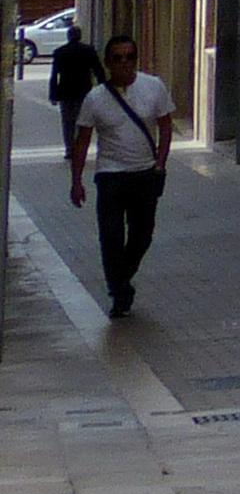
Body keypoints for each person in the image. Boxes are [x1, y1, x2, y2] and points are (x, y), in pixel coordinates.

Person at [64, 33, 174, 318]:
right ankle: (119, 292)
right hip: (110, 176)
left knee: (142, 234)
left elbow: (165, 125)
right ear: (108, 62)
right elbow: (82, 140)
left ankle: (121, 278)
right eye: (117, 58)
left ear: (136, 60)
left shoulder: (154, 87)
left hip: (145, 174)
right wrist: (76, 181)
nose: (124, 63)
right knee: (111, 237)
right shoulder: (95, 98)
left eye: (129, 57)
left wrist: (160, 162)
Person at [44, 23, 97, 148]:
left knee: (67, 122)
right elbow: (98, 70)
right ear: (80, 36)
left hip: (65, 92)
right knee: (82, 120)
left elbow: (54, 75)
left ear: (68, 37)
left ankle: (69, 148)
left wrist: (53, 94)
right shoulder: (88, 51)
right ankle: (79, 146)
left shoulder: (59, 52)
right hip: (83, 91)